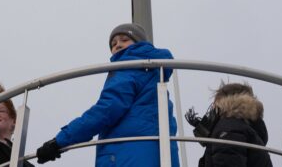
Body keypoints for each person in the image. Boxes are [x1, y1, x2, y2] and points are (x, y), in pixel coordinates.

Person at [36, 23, 180, 167]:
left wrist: (59, 141)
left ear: (139, 43)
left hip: (128, 157)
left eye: (124, 39)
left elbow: (106, 110)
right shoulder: (156, 77)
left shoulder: (128, 68)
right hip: (159, 157)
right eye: (113, 43)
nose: (118, 45)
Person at [186, 82, 273, 167]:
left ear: (223, 102)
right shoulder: (243, 130)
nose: (213, 108)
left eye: (215, 103)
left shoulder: (229, 130)